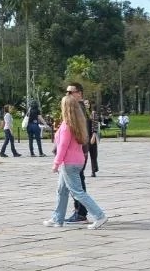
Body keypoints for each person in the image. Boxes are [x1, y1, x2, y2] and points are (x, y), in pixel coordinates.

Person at [44, 85, 107, 229]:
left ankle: (99, 216)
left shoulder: (67, 125)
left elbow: (63, 147)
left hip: (69, 163)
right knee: (62, 190)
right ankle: (57, 218)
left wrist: (56, 163)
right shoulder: (77, 123)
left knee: (77, 192)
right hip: (76, 160)